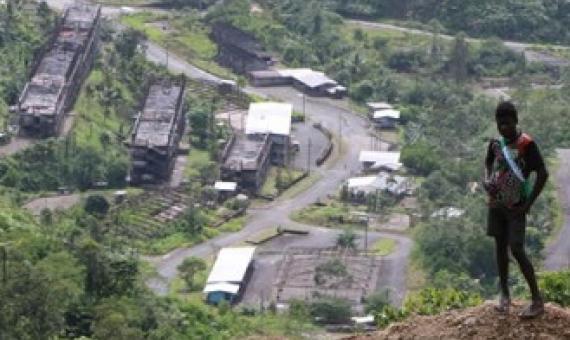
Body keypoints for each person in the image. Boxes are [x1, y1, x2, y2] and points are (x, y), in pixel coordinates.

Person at [484, 101, 549, 318]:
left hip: (517, 207)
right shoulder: (495, 143)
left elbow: (543, 173)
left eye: (508, 123)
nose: (504, 127)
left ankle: (537, 300)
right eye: (500, 123)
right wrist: (488, 181)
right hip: (497, 205)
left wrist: (528, 205)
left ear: (516, 121)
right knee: (500, 247)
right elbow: (488, 162)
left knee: (517, 249)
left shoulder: (527, 145)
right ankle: (505, 295)